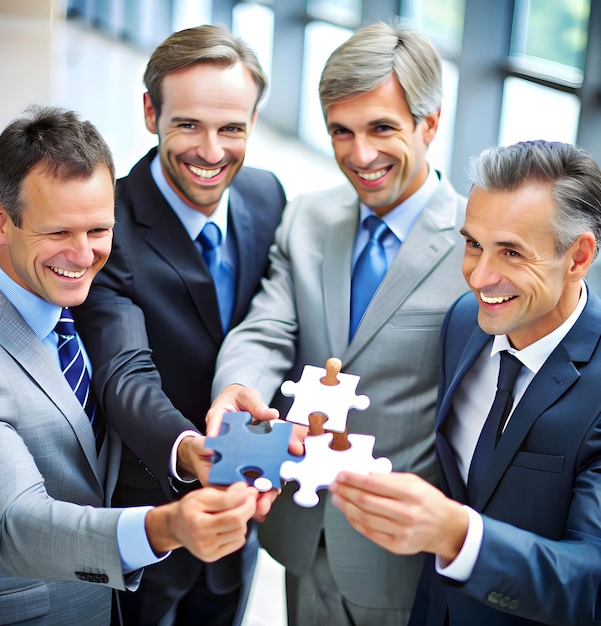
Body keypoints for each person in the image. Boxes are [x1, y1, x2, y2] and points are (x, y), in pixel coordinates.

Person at [209, 22, 469, 626]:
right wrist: (238, 382)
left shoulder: (475, 248)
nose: (360, 155)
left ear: (430, 125)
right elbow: (268, 324)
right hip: (302, 539)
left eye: (383, 128)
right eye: (341, 132)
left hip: (401, 552)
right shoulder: (306, 217)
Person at [0, 105, 259, 626]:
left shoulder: (69, 293)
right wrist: (164, 528)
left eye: (98, 230)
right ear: (0, 219)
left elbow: (127, 373)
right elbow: (16, 523)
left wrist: (196, 451)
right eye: (59, 232)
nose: (83, 256)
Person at [329, 139, 601, 626]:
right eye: (474, 243)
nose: (478, 277)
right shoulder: (462, 324)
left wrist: (460, 536)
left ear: (578, 257)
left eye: (512, 253)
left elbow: (592, 579)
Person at [73, 24, 285, 626]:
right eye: (189, 124)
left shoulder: (267, 196)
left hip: (240, 514)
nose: (212, 151)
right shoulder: (106, 224)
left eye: (233, 128)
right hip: (149, 518)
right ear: (150, 113)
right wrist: (193, 453)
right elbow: (124, 374)